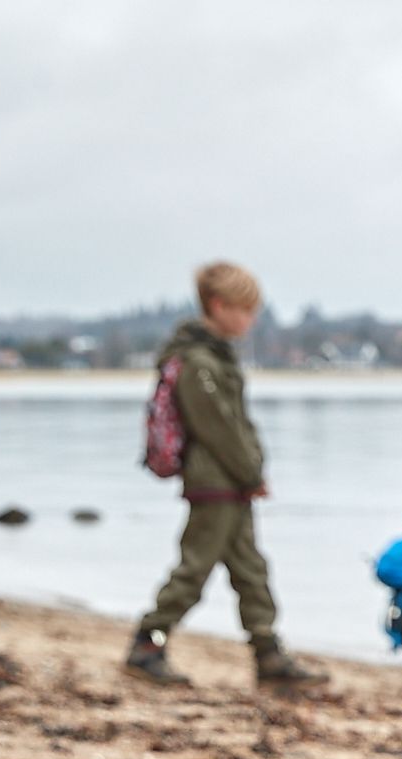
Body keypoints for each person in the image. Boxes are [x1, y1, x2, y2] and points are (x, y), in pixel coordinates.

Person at [124, 262, 325, 689]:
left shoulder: (215, 357)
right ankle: (148, 643)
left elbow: (233, 425)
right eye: (244, 310)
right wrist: (251, 472)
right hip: (214, 484)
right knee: (194, 569)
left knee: (251, 570)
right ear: (218, 306)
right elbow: (219, 428)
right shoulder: (199, 363)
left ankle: (268, 653)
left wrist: (250, 474)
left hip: (232, 484)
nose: (250, 320)